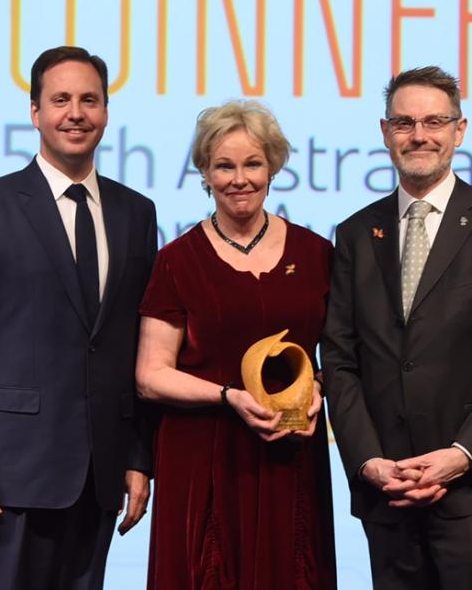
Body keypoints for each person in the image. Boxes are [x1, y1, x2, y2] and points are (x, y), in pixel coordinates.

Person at [0, 46, 158, 590]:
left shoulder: (136, 213)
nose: (75, 113)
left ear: (106, 112)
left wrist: (138, 457)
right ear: (35, 113)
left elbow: (132, 346)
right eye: (60, 100)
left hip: (99, 479)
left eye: (89, 100)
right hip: (6, 479)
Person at [320, 66, 472, 590]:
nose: (418, 135)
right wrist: (370, 460)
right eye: (403, 123)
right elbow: (339, 358)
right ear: (384, 132)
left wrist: (461, 456)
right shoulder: (357, 233)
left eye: (433, 121)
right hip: (389, 492)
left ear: (459, 130)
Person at [134, 100, 338, 590]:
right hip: (203, 456)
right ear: (204, 172)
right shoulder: (175, 262)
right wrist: (227, 397)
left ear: (273, 167)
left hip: (290, 452)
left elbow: (343, 355)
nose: (239, 179)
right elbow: (150, 374)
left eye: (253, 164)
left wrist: (319, 389)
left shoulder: (317, 254)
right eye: (223, 165)